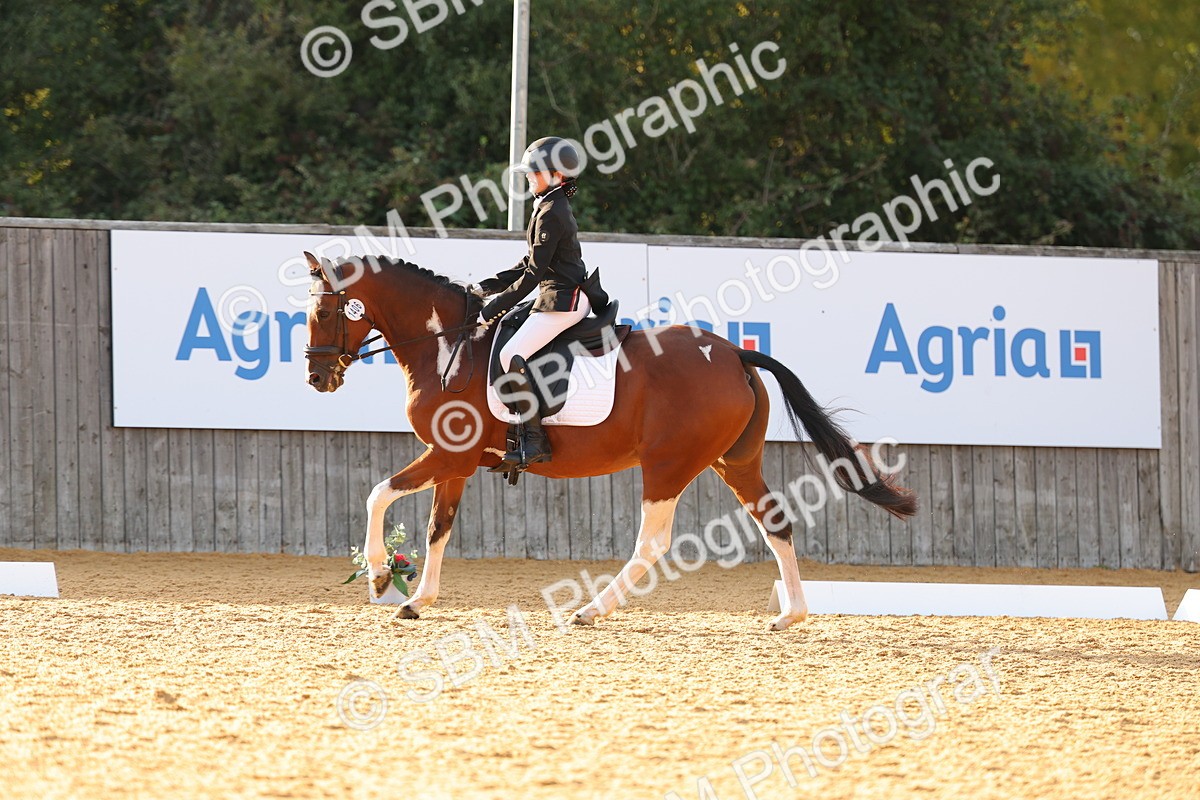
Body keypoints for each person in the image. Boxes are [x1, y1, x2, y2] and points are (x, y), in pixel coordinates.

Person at [476, 136, 608, 473]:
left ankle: (534, 440)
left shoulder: (553, 211)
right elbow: (529, 261)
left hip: (563, 300)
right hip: (553, 294)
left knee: (510, 355)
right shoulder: (547, 203)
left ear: (555, 174)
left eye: (533, 172)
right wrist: (488, 287)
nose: (528, 177)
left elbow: (534, 274)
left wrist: (494, 307)